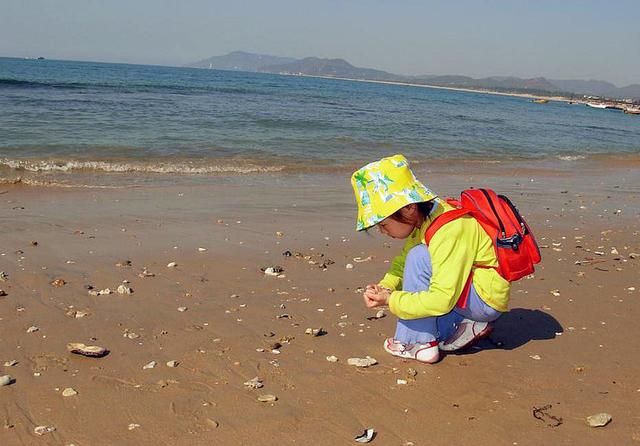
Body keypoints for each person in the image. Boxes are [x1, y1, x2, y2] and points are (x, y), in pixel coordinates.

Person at [351, 154, 509, 363]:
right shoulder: (426, 219)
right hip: (472, 293)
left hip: (484, 300)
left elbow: (442, 299)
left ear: (408, 207)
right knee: (417, 257)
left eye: (383, 224)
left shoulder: (449, 228)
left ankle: (418, 343)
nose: (382, 231)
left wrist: (391, 300)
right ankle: (464, 324)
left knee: (419, 257)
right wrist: (386, 286)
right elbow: (401, 263)